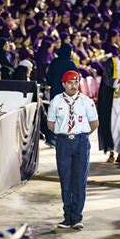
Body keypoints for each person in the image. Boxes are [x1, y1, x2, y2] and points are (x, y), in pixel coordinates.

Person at [47, 70, 99, 229]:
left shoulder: (86, 101)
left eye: (76, 82)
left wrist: (79, 135)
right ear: (63, 84)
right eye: (70, 82)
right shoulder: (56, 101)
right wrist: (65, 133)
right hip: (63, 143)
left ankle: (76, 217)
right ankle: (67, 216)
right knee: (65, 179)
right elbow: (50, 123)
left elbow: (94, 123)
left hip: (81, 142)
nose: (73, 86)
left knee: (79, 180)